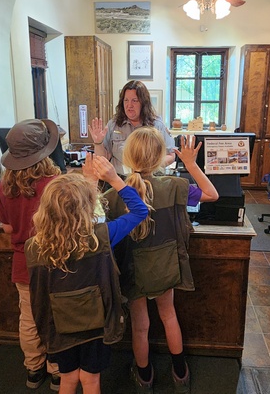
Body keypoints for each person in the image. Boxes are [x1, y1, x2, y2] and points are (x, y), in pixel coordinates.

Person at [104, 127, 218, 393]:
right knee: (169, 316)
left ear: (127, 156)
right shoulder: (175, 185)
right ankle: (180, 374)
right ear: (159, 158)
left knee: (140, 326)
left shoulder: (113, 195)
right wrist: (190, 164)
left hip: (132, 271)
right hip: (166, 266)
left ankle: (144, 378)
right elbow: (212, 195)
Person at [26, 154, 148, 394]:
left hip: (59, 325)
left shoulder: (34, 247)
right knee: (91, 380)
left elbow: (37, 296)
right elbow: (139, 210)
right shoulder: (101, 236)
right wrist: (114, 180)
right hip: (96, 324)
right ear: (88, 206)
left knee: (68, 378)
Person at [0, 118, 62, 391]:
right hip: (53, 263)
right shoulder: (55, 184)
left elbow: (8, 228)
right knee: (54, 318)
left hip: (23, 265)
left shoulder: (4, 187)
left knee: (29, 319)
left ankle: (33, 369)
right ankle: (56, 370)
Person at [90, 80, 176, 176]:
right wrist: (98, 143)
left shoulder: (157, 125)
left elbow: (171, 155)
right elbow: (103, 158)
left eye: (134, 101)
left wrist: (150, 166)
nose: (129, 105)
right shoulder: (113, 124)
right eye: (126, 100)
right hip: (118, 179)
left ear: (143, 103)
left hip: (148, 180)